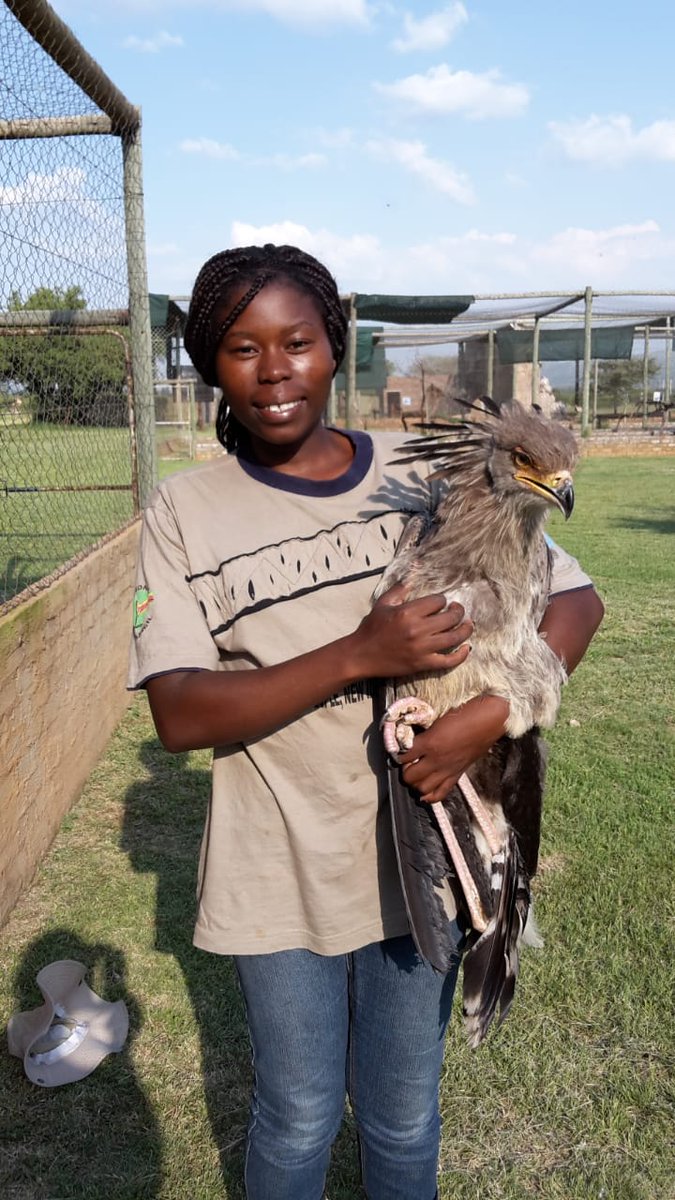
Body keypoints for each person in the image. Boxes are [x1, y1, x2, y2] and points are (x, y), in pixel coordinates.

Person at [128, 243, 604, 1200]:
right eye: (239, 348)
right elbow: (179, 713)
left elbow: (575, 602)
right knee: (298, 1115)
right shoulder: (185, 511)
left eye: (296, 342)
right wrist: (359, 655)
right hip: (280, 869)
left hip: (421, 855)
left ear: (335, 347)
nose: (272, 372)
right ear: (206, 364)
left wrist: (497, 709)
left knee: (401, 1116)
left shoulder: (425, 475)